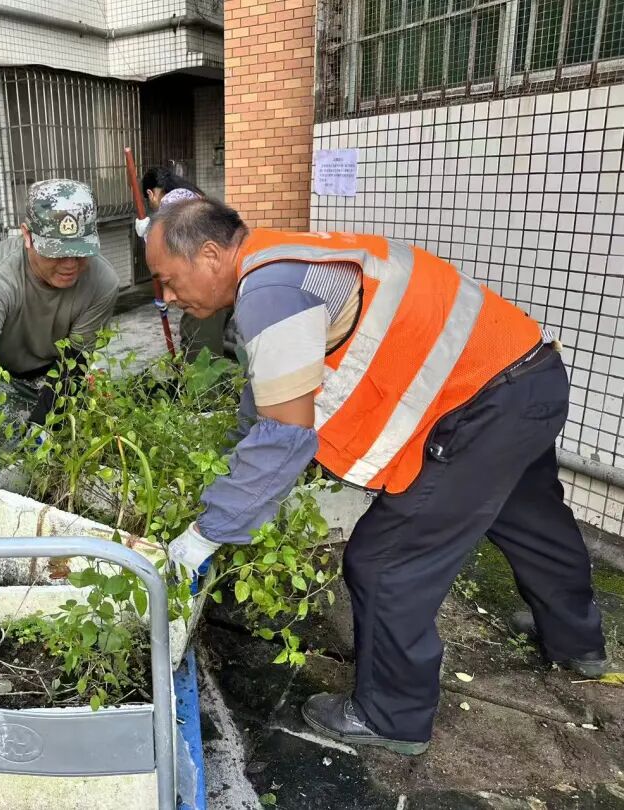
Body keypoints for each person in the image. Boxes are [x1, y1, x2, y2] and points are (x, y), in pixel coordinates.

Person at [147, 198, 607, 755]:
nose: (166, 297)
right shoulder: (284, 259)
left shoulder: (268, 292)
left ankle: (392, 715)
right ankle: (576, 639)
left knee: (384, 561)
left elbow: (285, 435)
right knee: (530, 516)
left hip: (480, 408)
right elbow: (266, 397)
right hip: (530, 375)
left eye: (168, 279)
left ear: (210, 254)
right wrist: (232, 462)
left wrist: (208, 530)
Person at [0, 179, 120, 522]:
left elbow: (74, 362)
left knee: (51, 470)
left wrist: (44, 426)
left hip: (51, 374)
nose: (70, 264)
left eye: (80, 251)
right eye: (56, 252)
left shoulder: (102, 283)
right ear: (27, 236)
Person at [135, 167, 231, 361]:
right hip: (220, 281)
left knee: (200, 351)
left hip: (206, 288)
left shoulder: (174, 200)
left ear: (150, 194)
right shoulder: (192, 197)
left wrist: (148, 234)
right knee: (215, 345)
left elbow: (171, 249)